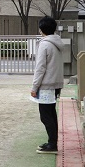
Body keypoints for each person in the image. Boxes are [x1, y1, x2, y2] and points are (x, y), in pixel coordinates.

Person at [31, 16, 65, 154]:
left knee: (46, 116)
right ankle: (52, 142)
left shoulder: (44, 44)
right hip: (56, 84)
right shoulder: (57, 42)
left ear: (41, 29)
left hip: (46, 85)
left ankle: (52, 145)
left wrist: (34, 87)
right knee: (51, 114)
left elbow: (40, 68)